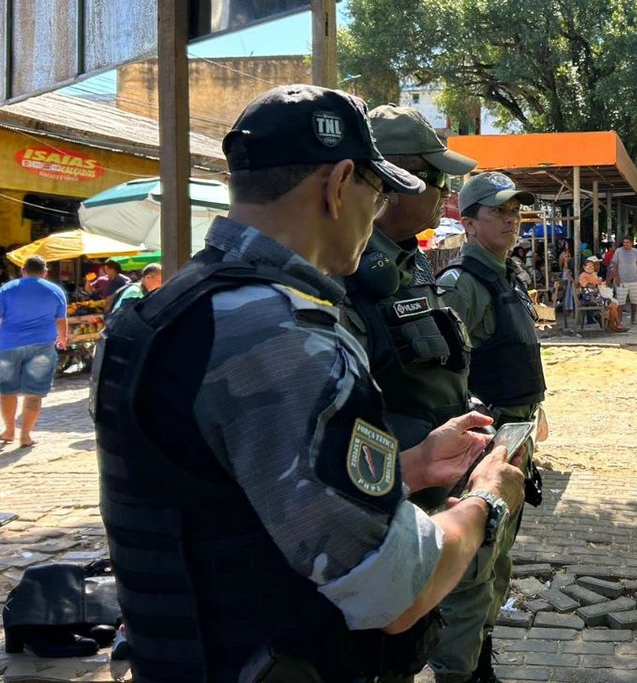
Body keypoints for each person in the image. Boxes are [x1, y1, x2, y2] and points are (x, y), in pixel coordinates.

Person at [91, 85, 525, 683]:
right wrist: (488, 502)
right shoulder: (284, 332)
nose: (376, 215)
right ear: (339, 183)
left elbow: (235, 496)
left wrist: (414, 465)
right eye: (376, 193)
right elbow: (396, 588)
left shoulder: (156, 312)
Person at [342, 105, 514, 683]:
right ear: (393, 180)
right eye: (436, 178)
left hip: (439, 459)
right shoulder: (347, 272)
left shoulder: (408, 264)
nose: (445, 192)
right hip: (396, 475)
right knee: (403, 611)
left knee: (464, 586)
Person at [437, 172, 548, 680]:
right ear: (468, 221)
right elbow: (441, 376)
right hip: (485, 448)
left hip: (515, 441)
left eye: (516, 211)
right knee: (472, 573)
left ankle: (479, 659)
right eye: (499, 211)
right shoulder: (460, 286)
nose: (511, 219)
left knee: (499, 563)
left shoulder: (509, 277)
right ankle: (459, 672)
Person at [0, 256, 67, 447]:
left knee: (7, 391)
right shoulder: (55, 290)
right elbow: (61, 320)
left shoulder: (6, 289)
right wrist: (62, 338)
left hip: (8, 346)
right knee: (34, 393)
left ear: (23, 270)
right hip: (42, 347)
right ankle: (25, 436)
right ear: (45, 272)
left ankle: (9, 430)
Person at [610, 235, 637, 325]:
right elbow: (615, 265)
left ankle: (633, 319)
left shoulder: (635, 251)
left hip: (634, 280)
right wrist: (616, 277)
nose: (626, 244)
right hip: (622, 280)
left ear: (632, 243)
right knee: (620, 302)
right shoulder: (618, 251)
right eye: (624, 242)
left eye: (628, 242)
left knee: (635, 301)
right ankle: (619, 320)